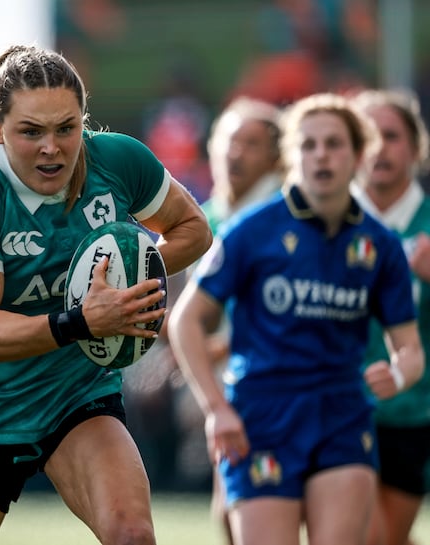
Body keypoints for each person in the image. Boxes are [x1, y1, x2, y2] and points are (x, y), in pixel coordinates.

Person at [0, 34, 213, 545]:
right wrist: (82, 320)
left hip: (76, 398)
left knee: (133, 535)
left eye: (66, 129)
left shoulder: (117, 162)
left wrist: (130, 276)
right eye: (31, 132)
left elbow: (193, 229)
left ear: (84, 122)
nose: (52, 147)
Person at [167, 92, 425, 545]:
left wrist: (399, 374)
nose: (321, 155)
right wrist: (217, 410)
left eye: (334, 143)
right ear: (291, 156)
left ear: (357, 155)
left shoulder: (379, 244)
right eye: (308, 145)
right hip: (260, 418)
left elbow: (410, 348)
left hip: (343, 416)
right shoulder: (250, 230)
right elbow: (185, 321)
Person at [198, 95, 284, 545]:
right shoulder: (207, 217)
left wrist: (217, 345)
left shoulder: (282, 218)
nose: (236, 152)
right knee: (230, 505)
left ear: (275, 156)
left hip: (278, 379)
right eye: (230, 141)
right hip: (223, 380)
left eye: (251, 143)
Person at [350, 88, 430, 545]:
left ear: (416, 148)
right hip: (336, 406)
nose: (380, 147)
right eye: (369, 136)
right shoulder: (319, 223)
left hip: (411, 412)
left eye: (392, 136)